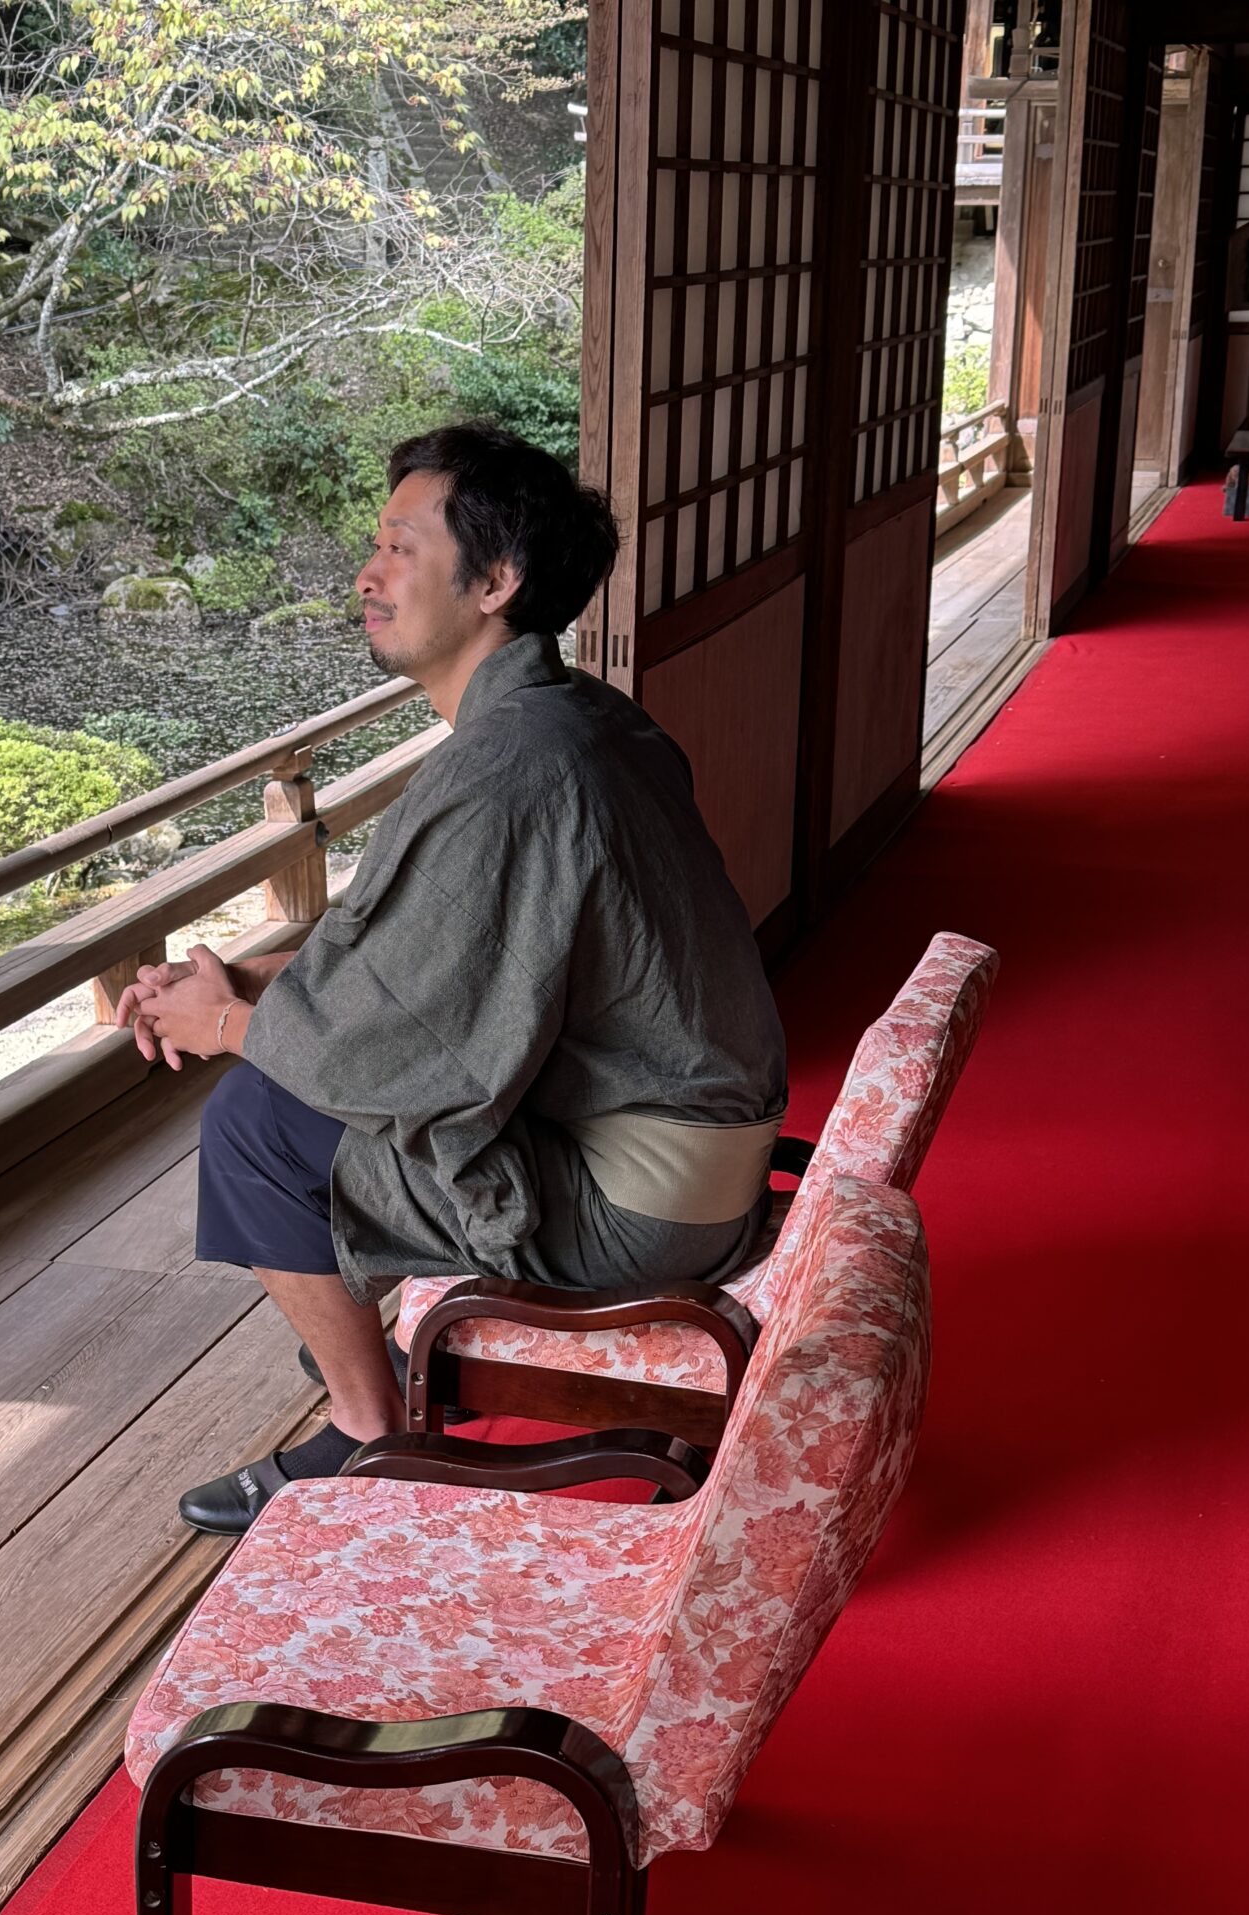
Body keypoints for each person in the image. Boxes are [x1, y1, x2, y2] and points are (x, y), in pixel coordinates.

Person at [120, 422, 788, 1534]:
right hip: (688, 1152)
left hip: (639, 1212)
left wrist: (232, 1022)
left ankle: (369, 1430)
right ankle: (383, 1345)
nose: (366, 575)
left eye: (400, 548)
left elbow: (405, 1040)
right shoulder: (569, 720)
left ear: (496, 581)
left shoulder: (516, 764)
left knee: (254, 1121)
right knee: (282, 1068)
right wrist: (244, 977)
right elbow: (444, 956)